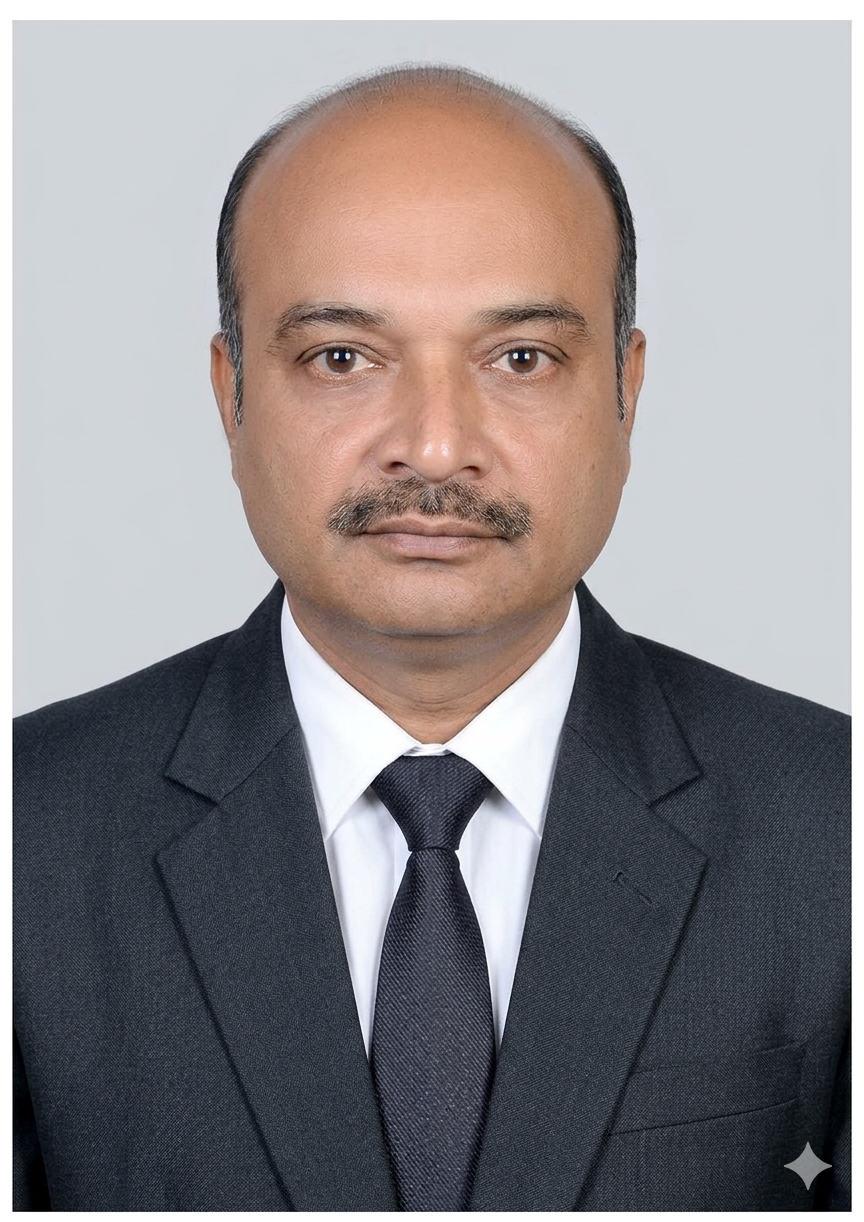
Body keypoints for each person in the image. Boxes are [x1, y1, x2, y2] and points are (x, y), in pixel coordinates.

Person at [13, 64, 849, 1212]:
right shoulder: (29, 835)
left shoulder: (834, 826)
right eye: (342, 358)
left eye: (521, 358)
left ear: (627, 391)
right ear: (230, 393)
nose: (437, 445)